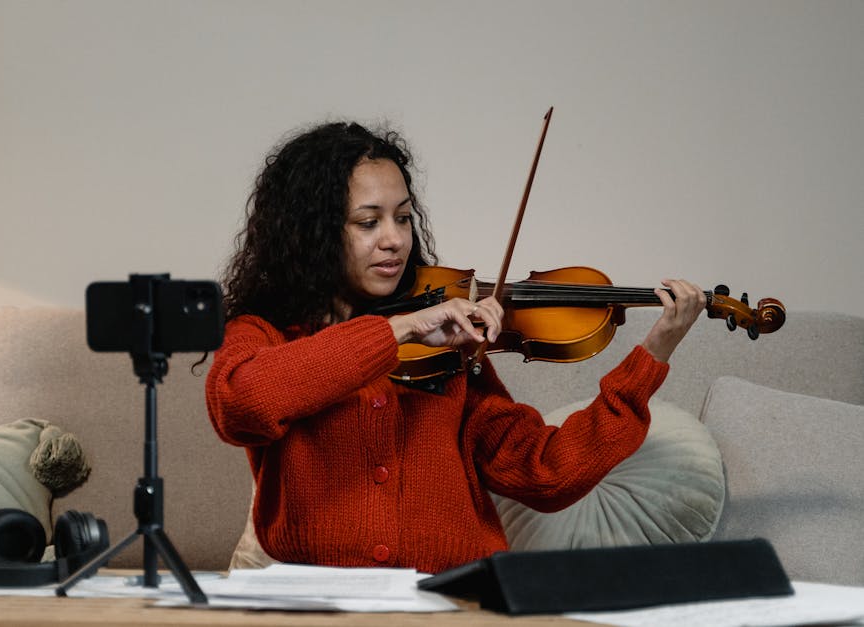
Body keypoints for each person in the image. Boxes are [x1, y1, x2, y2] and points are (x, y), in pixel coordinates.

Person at [204, 121, 705, 574]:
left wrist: (651, 356)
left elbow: (545, 472)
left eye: (402, 218)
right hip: (322, 604)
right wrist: (396, 331)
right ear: (309, 234)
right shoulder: (264, 335)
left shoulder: (451, 352)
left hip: (449, 600)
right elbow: (240, 404)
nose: (394, 240)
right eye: (367, 222)